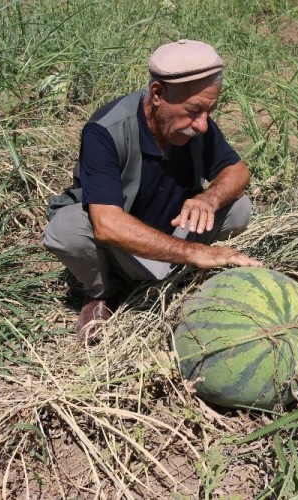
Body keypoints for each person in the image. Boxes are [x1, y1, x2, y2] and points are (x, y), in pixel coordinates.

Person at [43, 39, 262, 342]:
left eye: (209, 110)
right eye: (194, 111)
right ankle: (102, 293)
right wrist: (196, 252)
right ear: (158, 94)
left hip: (171, 235)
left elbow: (237, 172)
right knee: (66, 229)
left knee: (238, 207)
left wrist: (208, 198)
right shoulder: (106, 131)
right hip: (122, 250)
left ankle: (179, 276)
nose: (201, 124)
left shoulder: (196, 122)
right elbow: (107, 225)